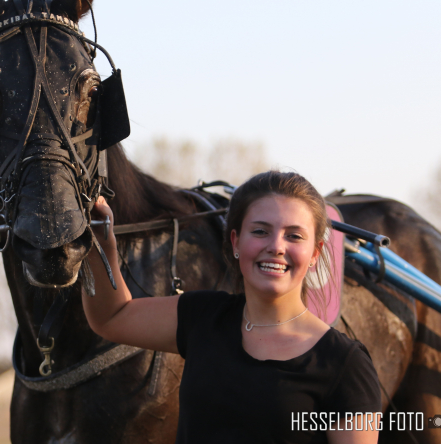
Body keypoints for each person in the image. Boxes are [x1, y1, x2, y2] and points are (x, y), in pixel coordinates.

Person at [83, 171, 381, 444]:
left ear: (315, 253)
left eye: (294, 236)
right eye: (260, 231)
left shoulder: (346, 365)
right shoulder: (203, 317)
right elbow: (111, 316)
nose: (276, 246)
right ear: (236, 242)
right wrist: (100, 244)